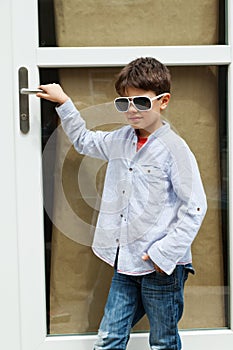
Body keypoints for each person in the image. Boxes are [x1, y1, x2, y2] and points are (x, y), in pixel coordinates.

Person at [37, 57, 207, 350]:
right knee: (109, 339)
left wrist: (161, 253)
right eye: (124, 102)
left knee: (163, 341)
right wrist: (64, 102)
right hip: (124, 264)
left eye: (140, 102)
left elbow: (194, 207)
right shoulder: (120, 140)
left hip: (161, 268)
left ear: (163, 101)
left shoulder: (175, 150)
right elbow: (84, 141)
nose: (131, 109)